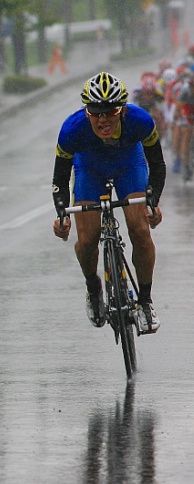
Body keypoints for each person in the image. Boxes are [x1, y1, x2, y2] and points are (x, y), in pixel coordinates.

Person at [52, 72, 165, 333]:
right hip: (89, 169)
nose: (102, 118)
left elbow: (157, 165)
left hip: (129, 165)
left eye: (109, 111)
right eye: (95, 111)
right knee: (88, 239)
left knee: (139, 228)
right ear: (86, 110)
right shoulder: (72, 129)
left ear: (122, 109)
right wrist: (62, 214)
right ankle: (93, 289)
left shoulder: (141, 121)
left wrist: (153, 202)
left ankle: (145, 302)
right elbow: (59, 176)